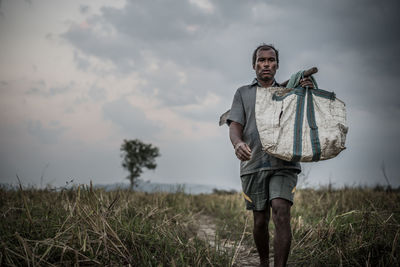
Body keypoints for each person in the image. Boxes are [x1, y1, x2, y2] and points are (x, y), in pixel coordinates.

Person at [227, 44, 314, 267]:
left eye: (271, 60)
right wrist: (237, 143)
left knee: (281, 210)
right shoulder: (243, 93)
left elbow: (304, 116)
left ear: (277, 65)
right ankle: (264, 262)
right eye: (261, 60)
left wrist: (305, 89)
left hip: (284, 163)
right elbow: (235, 124)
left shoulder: (289, 92)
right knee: (260, 220)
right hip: (253, 163)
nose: (266, 63)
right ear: (254, 65)